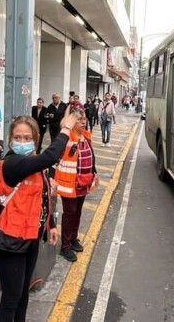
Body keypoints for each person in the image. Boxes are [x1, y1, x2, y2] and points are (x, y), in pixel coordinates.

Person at [0, 112, 80, 321]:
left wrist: (51, 225)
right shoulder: (13, 163)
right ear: (10, 140)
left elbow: (42, 198)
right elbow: (51, 156)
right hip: (10, 240)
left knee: (22, 295)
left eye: (27, 138)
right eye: (18, 138)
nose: (22, 142)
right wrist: (66, 129)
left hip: (30, 237)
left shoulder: (36, 165)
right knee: (11, 298)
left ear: (35, 140)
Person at [50, 107, 98, 262]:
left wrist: (94, 173)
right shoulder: (66, 137)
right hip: (69, 184)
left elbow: (91, 157)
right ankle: (65, 246)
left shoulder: (86, 136)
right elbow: (54, 157)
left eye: (84, 119)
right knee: (70, 213)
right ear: (72, 121)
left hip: (83, 182)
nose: (83, 122)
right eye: (79, 119)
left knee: (77, 212)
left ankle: (73, 238)